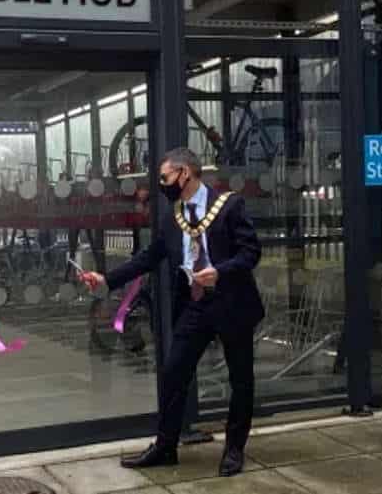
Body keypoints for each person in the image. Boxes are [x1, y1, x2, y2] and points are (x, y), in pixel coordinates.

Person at [80, 147, 262, 477]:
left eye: (165, 177)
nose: (161, 184)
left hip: (231, 302)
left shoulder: (229, 205)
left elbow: (251, 252)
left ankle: (234, 449)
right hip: (195, 305)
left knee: (241, 379)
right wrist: (107, 280)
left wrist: (220, 271)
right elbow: (148, 257)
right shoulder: (172, 216)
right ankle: (166, 447)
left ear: (185, 173)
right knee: (174, 372)